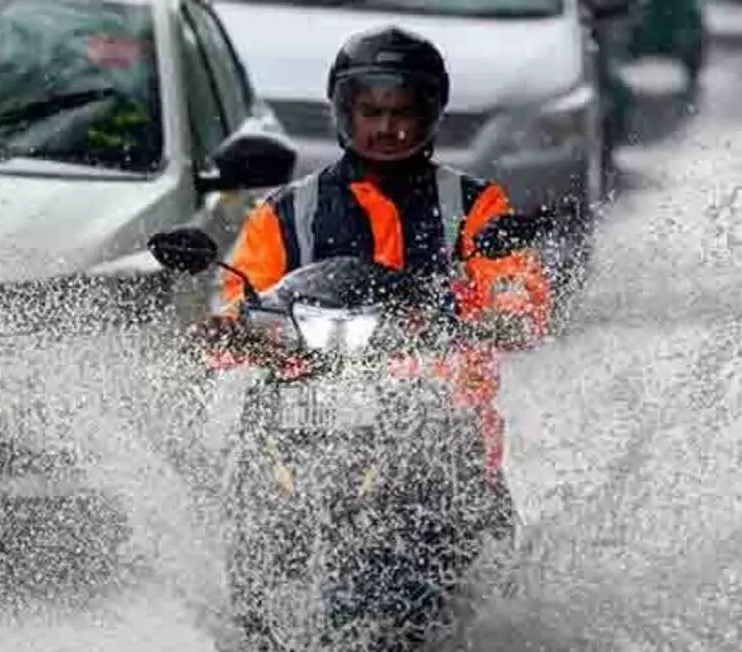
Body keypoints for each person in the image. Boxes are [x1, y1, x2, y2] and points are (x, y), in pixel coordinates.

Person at [200, 25, 554, 521]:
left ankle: (477, 566)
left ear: (430, 114)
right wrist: (236, 328)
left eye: (402, 113)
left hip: (439, 415)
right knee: (241, 458)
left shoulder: (476, 205)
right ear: (345, 112)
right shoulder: (286, 210)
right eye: (372, 113)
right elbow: (241, 295)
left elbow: (518, 292)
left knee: (474, 517)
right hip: (309, 407)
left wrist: (500, 307)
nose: (387, 128)